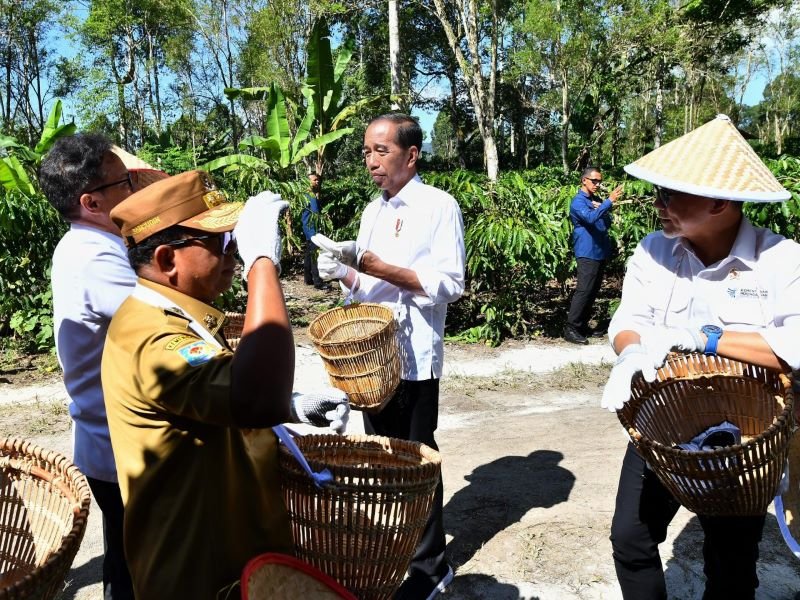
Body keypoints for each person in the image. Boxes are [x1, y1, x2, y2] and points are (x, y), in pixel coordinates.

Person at [101, 170, 349, 600]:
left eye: (235, 242)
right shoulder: (151, 334)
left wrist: (289, 405)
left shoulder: (177, 314)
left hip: (228, 553)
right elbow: (253, 398)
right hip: (196, 573)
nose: (232, 254)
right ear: (166, 260)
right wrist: (262, 265)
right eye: (220, 243)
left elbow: (209, 395)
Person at [601, 114, 800, 599]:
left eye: (671, 195)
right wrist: (630, 354)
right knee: (631, 537)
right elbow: (629, 321)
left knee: (730, 560)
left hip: (746, 432)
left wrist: (709, 339)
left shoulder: (780, 260)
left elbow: (794, 346)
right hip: (665, 419)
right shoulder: (654, 252)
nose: (658, 205)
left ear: (720, 201)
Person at [314, 113, 465, 599]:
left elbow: (451, 284)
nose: (371, 161)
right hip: (373, 361)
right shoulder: (371, 210)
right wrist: (345, 273)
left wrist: (381, 267)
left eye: (381, 151)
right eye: (366, 152)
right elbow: (368, 286)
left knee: (418, 459)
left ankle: (431, 566)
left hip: (415, 355)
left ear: (411, 155)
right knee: (384, 458)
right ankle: (402, 552)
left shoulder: (438, 206)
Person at [39, 133, 143, 600]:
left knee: (126, 557)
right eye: (124, 181)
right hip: (119, 443)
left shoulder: (88, 241)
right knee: (137, 565)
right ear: (91, 201)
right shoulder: (96, 255)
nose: (135, 187)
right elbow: (162, 326)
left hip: (107, 439)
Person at [563, 166, 622, 345]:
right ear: (584, 180)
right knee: (584, 289)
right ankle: (571, 327)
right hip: (586, 251)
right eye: (594, 180)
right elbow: (589, 218)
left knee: (593, 289)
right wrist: (608, 203)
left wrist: (603, 208)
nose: (597, 184)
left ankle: (582, 326)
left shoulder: (595, 200)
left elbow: (607, 222)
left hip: (599, 251)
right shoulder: (578, 202)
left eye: (599, 181)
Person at [302, 172, 325, 289]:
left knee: (308, 255)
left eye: (318, 180)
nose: (317, 182)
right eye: (315, 180)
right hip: (312, 230)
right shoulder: (310, 196)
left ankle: (308, 278)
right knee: (315, 256)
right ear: (308, 181)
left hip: (307, 229)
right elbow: (316, 213)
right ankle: (318, 282)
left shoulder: (304, 195)